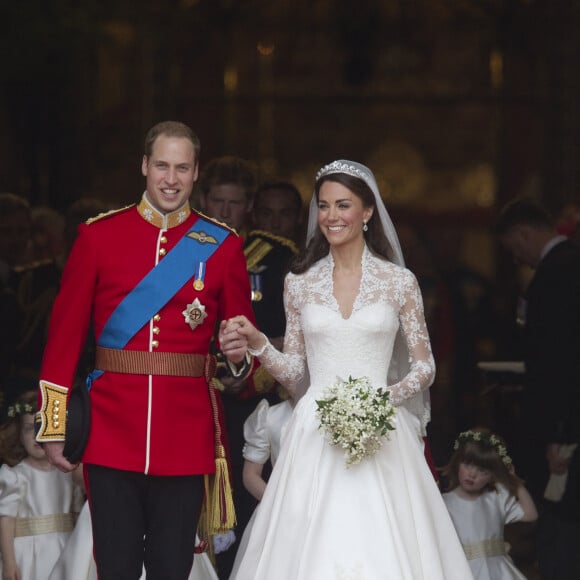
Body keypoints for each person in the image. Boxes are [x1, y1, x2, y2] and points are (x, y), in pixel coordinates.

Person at [220, 159, 474, 579]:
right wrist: (260, 343)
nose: (331, 216)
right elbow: (296, 372)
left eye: (343, 205)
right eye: (323, 206)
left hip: (381, 429)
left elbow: (425, 366)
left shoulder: (399, 281)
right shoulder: (299, 281)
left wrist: (378, 401)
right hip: (313, 434)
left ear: (368, 212)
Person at [34, 120, 255, 580]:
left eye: (181, 168)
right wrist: (54, 424)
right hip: (111, 430)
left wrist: (238, 353)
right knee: (114, 565)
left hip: (185, 433)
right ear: (144, 167)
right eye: (161, 166)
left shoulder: (222, 246)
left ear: (196, 175)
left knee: (172, 567)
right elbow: (64, 338)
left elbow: (240, 349)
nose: (170, 179)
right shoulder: (98, 237)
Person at [495, 197, 580, 579]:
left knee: (561, 525)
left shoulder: (555, 274)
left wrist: (558, 434)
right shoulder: (571, 263)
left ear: (523, 234)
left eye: (514, 248)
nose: (517, 259)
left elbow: (559, 361)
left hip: (563, 425)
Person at [0, 391, 83, 580]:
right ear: (19, 434)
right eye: (29, 429)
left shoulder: (69, 473)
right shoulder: (14, 476)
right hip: (28, 554)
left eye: (42, 427)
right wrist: (9, 562)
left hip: (65, 549)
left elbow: (79, 518)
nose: (37, 435)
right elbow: (6, 521)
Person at [441, 428, 538, 579]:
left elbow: (531, 514)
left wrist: (514, 482)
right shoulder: (444, 503)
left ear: (492, 476)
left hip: (499, 572)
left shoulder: (497, 498)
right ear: (457, 463)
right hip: (464, 571)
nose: (472, 474)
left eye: (482, 470)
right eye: (467, 464)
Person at [252, 181, 305, 246]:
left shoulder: (314, 255)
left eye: (285, 215)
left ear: (299, 217)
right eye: (266, 214)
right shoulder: (239, 254)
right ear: (254, 216)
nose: (275, 224)